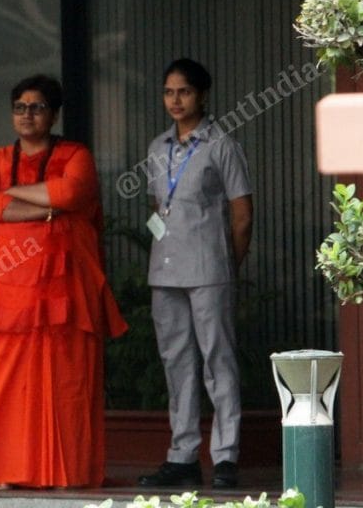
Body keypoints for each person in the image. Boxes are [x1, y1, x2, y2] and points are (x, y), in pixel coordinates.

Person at [0, 74, 128, 490]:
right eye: (20, 107)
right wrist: (43, 205)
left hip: (63, 299)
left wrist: (13, 194)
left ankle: (64, 473)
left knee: (64, 383)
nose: (27, 115)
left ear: (53, 114)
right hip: (4, 298)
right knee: (3, 386)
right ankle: (1, 472)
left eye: (36, 107)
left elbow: (72, 194)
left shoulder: (76, 154)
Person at [137, 59, 253, 489]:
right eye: (169, 92)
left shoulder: (221, 144)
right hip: (165, 270)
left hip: (209, 270)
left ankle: (225, 456)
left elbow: (242, 214)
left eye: (184, 92)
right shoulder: (156, 147)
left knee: (217, 360)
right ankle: (182, 454)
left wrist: (227, 265)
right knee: (177, 363)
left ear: (202, 95)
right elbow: (158, 208)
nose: (175, 100)